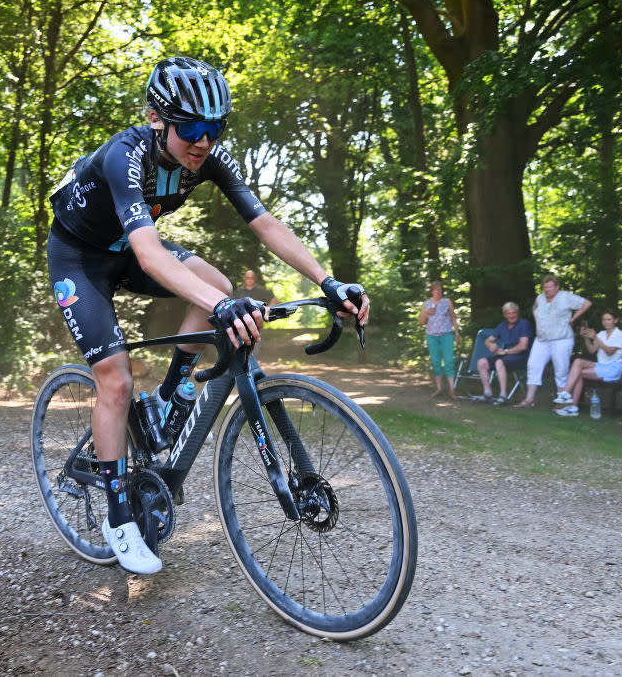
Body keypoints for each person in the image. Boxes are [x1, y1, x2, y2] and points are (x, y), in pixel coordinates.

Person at [47, 57, 369, 574]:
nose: (203, 141)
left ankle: (175, 389)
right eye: (191, 129)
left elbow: (264, 221)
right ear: (157, 119)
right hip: (80, 259)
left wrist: (327, 281)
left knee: (216, 285)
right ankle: (117, 518)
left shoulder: (209, 157)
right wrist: (222, 306)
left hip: (127, 249)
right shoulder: (124, 155)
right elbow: (151, 255)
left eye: (214, 129)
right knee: (115, 381)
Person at [514, 274, 591, 408]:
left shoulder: (565, 297)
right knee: (533, 366)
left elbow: (586, 304)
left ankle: (561, 401)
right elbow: (534, 308)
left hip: (561, 339)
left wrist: (573, 319)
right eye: (545, 288)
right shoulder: (540, 298)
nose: (547, 290)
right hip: (542, 340)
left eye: (550, 287)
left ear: (557, 287)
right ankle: (529, 399)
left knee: (561, 370)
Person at [552, 309, 622, 417]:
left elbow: (610, 352)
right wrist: (586, 337)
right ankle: (567, 398)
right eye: (604, 319)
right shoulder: (602, 334)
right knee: (578, 362)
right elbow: (592, 350)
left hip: (613, 368)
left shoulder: (620, 334)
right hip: (601, 365)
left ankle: (569, 401)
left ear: (615, 320)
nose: (605, 322)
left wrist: (595, 337)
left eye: (609, 319)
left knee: (579, 373)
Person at [473, 301, 531, 404]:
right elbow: (488, 340)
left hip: (522, 357)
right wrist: (490, 345)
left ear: (517, 313)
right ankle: (487, 393)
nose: (512, 315)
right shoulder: (503, 325)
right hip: (506, 356)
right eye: (509, 313)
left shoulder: (523, 323)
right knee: (481, 362)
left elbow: (523, 346)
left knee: (499, 362)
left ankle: (503, 395)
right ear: (505, 315)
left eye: (514, 313)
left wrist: (506, 351)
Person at [418, 281, 460, 398]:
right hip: (432, 336)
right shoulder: (426, 303)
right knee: (436, 362)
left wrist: (457, 334)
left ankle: (452, 389)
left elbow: (453, 318)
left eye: (440, 289)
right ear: (432, 291)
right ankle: (439, 388)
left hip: (446, 335)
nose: (438, 292)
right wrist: (427, 313)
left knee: (449, 361)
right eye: (435, 289)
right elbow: (421, 322)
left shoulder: (447, 302)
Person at [232, 270, 278, 363]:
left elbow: (275, 300)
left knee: (256, 342)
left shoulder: (261, 290)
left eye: (251, 277)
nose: (249, 280)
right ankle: (242, 362)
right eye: (247, 277)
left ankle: (256, 363)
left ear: (255, 279)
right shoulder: (239, 291)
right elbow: (232, 305)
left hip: (257, 321)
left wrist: (266, 310)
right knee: (241, 341)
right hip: (241, 321)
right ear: (244, 278)